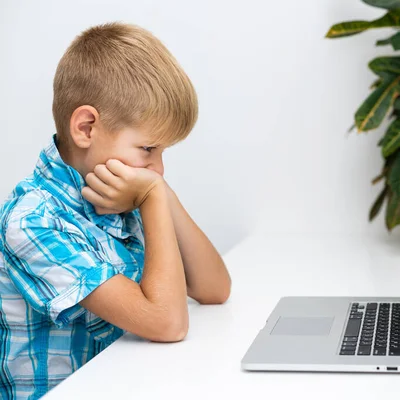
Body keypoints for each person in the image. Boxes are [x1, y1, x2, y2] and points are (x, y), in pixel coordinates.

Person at [0, 22, 231, 399]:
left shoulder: (120, 196)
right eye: (148, 149)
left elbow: (215, 288)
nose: (158, 168)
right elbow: (167, 323)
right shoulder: (32, 222)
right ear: (87, 128)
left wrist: (160, 194)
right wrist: (153, 197)